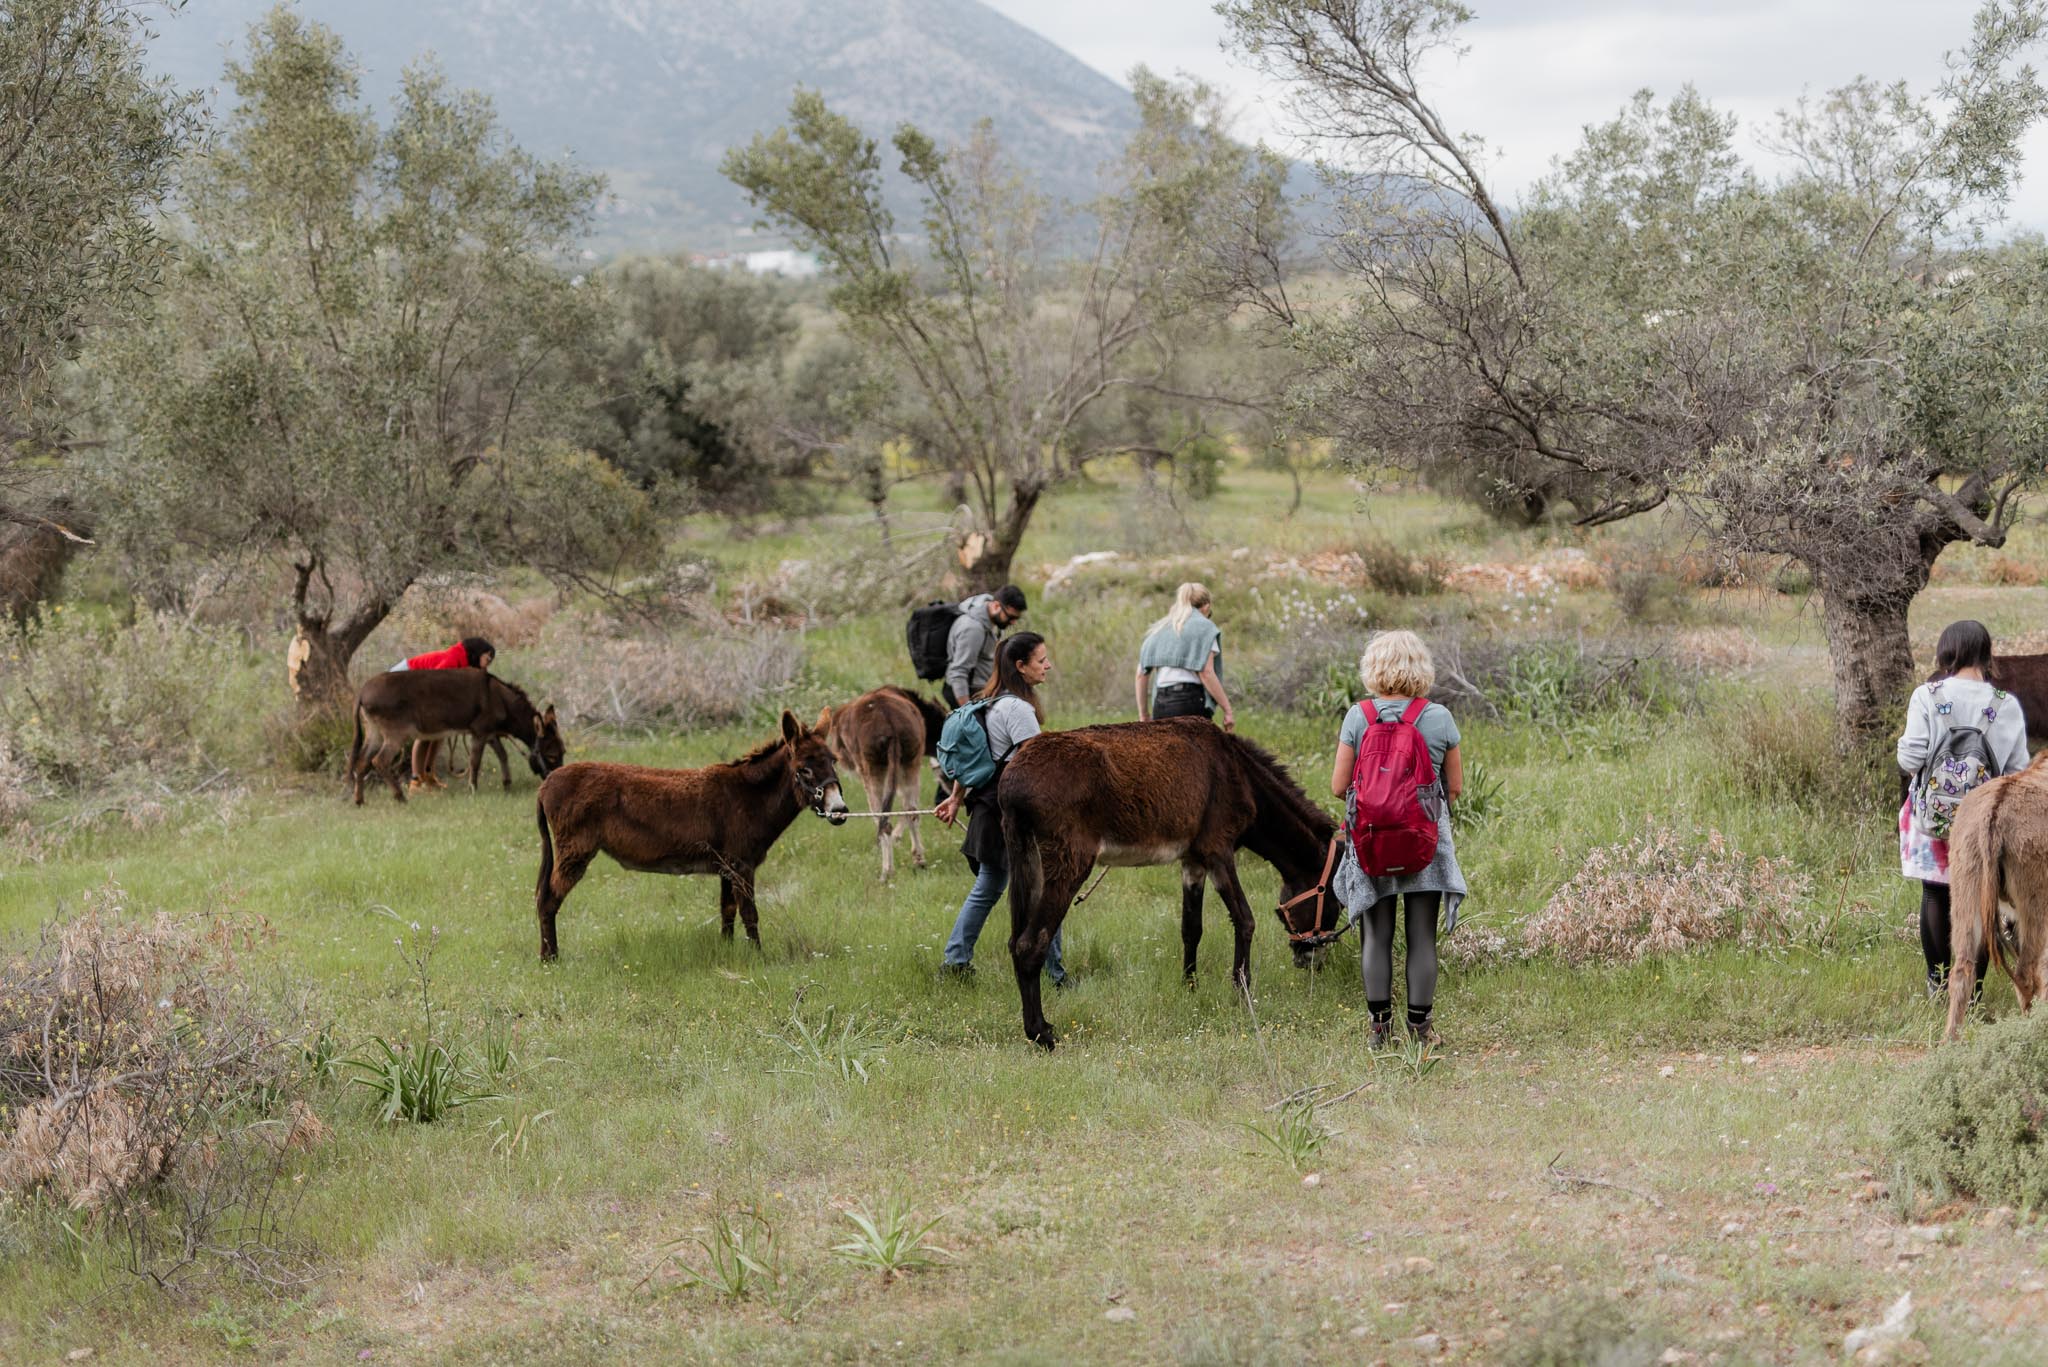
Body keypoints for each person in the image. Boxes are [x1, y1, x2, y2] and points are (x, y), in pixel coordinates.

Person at [1329, 630, 1466, 1049]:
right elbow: (1455, 788)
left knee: (1377, 935)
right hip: (1425, 842)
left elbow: (1338, 786)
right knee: (1422, 936)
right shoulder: (1439, 716)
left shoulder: (1359, 716)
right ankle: (1420, 1033)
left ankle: (1378, 1031)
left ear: (1374, 668)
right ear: (1421, 668)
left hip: (1372, 839)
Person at [1897, 619, 2027, 999]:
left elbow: (1911, 756)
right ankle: (1974, 990)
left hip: (1933, 818)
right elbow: (2017, 772)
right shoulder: (2006, 705)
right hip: (1986, 822)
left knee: (1936, 894)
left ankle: (1938, 984)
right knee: (1982, 901)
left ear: (1946, 652)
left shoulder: (1927, 695)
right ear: (1986, 656)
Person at [935, 631, 1065, 983]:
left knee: (990, 888)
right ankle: (1055, 974)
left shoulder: (989, 702)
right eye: (1041, 660)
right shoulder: (1018, 710)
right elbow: (1035, 768)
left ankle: (955, 961)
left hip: (988, 809)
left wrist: (956, 796)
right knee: (1044, 890)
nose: (1048, 665)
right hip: (1011, 814)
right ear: (1020, 667)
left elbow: (979, 758)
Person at [388, 635, 497, 791]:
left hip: (415, 685)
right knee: (424, 733)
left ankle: (428, 776)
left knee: (439, 735)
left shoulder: (465, 664)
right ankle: (415, 781)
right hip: (400, 680)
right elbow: (434, 683)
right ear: (479, 653)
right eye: (488, 659)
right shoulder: (453, 659)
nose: (487, 665)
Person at [1135, 582, 1234, 730]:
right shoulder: (1205, 628)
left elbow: (1140, 676)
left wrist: (1143, 715)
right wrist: (1227, 710)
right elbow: (1206, 673)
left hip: (1161, 703)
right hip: (1190, 701)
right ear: (1206, 606)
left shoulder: (1160, 629)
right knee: (1197, 752)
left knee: (1166, 752)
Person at [943, 584, 1028, 709]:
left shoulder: (992, 619)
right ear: (996, 606)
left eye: (1017, 618)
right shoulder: (973, 629)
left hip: (982, 690)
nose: (1013, 622)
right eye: (1011, 617)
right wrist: (967, 713)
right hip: (967, 693)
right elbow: (958, 672)